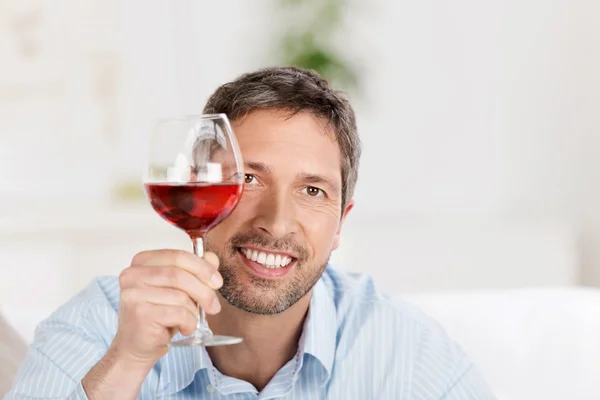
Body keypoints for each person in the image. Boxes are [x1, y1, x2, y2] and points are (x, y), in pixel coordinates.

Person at [6, 67, 496, 399]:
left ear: (341, 223)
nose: (277, 221)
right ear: (200, 184)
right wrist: (128, 362)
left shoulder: (405, 352)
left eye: (312, 190)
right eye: (248, 178)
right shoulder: (99, 324)